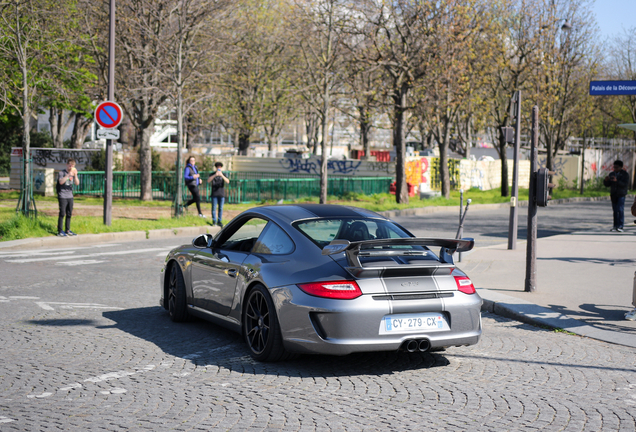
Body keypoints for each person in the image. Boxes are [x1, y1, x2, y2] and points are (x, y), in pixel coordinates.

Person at [603, 160, 629, 232]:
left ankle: (620, 226)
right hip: (614, 194)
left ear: (621, 167)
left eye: (616, 167)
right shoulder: (612, 174)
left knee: (620, 210)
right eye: (614, 167)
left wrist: (617, 181)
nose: (615, 169)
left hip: (621, 194)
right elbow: (607, 184)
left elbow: (625, 185)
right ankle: (615, 225)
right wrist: (606, 181)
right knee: (615, 211)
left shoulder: (625, 174)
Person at [57, 159, 80, 237]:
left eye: (73, 166)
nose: (71, 167)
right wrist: (68, 175)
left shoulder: (73, 173)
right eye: (70, 165)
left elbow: (77, 183)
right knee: (62, 213)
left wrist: (75, 175)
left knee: (69, 213)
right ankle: (60, 231)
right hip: (62, 196)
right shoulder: (62, 173)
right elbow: (61, 182)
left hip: (70, 196)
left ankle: (67, 230)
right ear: (67, 165)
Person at [207, 161, 230, 227]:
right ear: (216, 168)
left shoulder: (224, 174)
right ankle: (214, 221)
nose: (219, 168)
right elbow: (208, 181)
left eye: (220, 167)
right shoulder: (212, 174)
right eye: (217, 167)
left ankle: (219, 221)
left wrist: (221, 175)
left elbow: (228, 181)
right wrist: (215, 175)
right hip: (214, 194)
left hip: (221, 194)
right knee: (214, 208)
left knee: (220, 208)